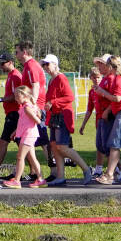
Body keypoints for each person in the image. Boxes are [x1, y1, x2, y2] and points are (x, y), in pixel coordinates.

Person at [41, 53, 92, 186]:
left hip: (62, 115)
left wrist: (53, 102)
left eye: (47, 64)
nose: (45, 67)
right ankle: (60, 176)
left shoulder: (61, 78)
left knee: (62, 146)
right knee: (55, 147)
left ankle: (86, 169)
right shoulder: (51, 80)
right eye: (44, 64)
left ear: (55, 64)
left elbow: (69, 97)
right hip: (54, 116)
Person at [92, 56, 121, 184]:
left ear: (111, 66)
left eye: (106, 65)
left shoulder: (118, 79)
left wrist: (102, 92)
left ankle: (109, 175)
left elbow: (117, 98)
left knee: (114, 145)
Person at [1, 85, 46, 187]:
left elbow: (37, 121)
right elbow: (23, 122)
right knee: (32, 158)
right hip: (28, 134)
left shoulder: (27, 108)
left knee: (20, 157)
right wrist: (15, 132)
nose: (16, 99)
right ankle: (40, 179)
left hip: (28, 135)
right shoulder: (27, 107)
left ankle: (17, 180)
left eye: (17, 96)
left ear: (25, 96)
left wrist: (34, 116)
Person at [0, 53, 23, 177]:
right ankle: (32, 172)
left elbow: (16, 96)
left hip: (15, 114)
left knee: (4, 142)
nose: (1, 66)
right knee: (20, 144)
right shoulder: (11, 75)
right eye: (0, 63)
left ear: (10, 62)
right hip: (11, 114)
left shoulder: (15, 76)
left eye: (3, 63)